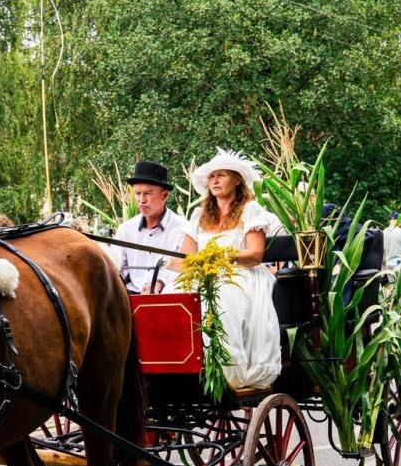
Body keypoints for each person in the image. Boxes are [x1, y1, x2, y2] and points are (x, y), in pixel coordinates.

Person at [177, 150, 281, 392]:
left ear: (236, 180)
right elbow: (185, 256)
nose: (214, 181)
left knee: (223, 293)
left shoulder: (250, 210)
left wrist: (222, 256)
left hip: (241, 274)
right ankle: (183, 364)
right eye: (211, 176)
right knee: (176, 293)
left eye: (221, 175)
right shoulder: (199, 215)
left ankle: (224, 367)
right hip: (205, 273)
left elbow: (255, 254)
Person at [114, 159, 189, 294]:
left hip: (168, 296)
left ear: (164, 196)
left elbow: (184, 266)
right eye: (138, 193)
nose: (142, 200)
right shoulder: (125, 230)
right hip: (130, 297)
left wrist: (160, 281)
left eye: (148, 193)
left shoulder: (182, 229)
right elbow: (116, 266)